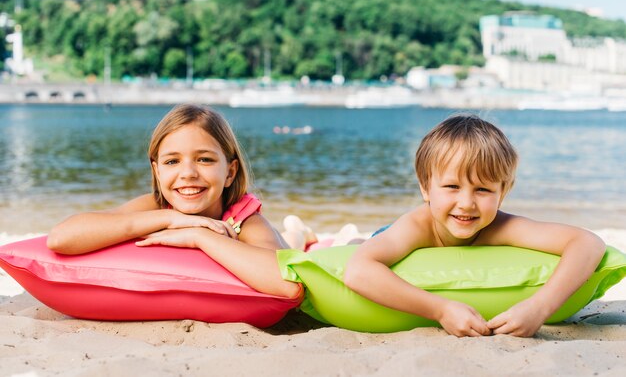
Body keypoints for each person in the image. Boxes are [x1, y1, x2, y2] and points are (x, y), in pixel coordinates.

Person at [343, 114, 606, 338]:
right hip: (385, 233)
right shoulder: (416, 226)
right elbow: (358, 271)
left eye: (482, 189)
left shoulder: (502, 226)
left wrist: (539, 307)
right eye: (452, 187)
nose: (466, 203)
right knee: (355, 245)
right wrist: (440, 309)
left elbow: (588, 242)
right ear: (425, 187)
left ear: (503, 192)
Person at [47, 103, 302, 299]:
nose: (188, 173)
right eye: (172, 161)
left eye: (204, 159)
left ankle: (300, 233)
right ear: (158, 172)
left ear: (230, 172)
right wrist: (170, 218)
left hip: (280, 245)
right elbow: (60, 238)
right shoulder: (158, 207)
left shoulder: (244, 220)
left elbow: (288, 286)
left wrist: (200, 236)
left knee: (293, 243)